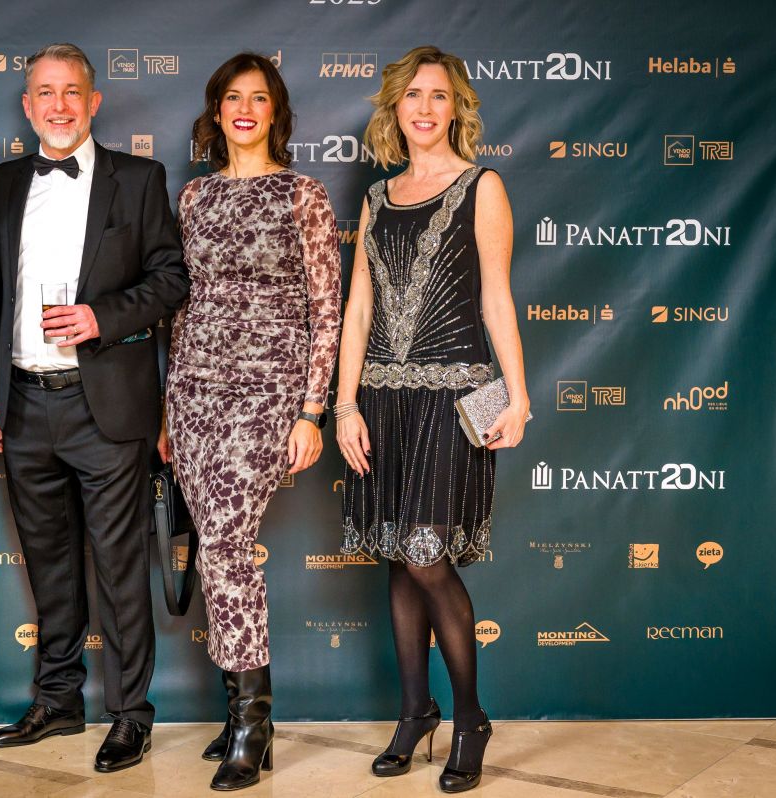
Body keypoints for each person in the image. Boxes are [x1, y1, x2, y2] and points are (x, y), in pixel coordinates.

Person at [0, 43, 189, 773]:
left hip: (108, 409)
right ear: (27, 106)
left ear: (94, 102)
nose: (59, 105)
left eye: (72, 92)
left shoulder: (139, 178)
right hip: (23, 404)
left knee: (121, 569)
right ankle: (58, 699)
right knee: (49, 566)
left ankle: (130, 715)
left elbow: (171, 280)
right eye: (45, 92)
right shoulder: (6, 181)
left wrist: (101, 317)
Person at [334, 46, 529, 794]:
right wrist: (345, 402)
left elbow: (496, 297)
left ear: (457, 108)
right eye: (412, 94)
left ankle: (470, 717)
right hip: (382, 398)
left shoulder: (483, 186)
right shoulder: (377, 197)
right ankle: (416, 711)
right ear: (395, 107)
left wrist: (519, 396)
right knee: (397, 553)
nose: (424, 107)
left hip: (454, 399)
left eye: (438, 96)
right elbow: (358, 307)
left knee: (424, 552)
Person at [160, 52, 341, 792]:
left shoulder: (303, 194)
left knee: (228, 544)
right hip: (195, 392)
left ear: (276, 112)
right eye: (231, 97)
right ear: (216, 111)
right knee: (215, 550)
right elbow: (182, 308)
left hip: (269, 393)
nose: (244, 109)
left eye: (258, 98)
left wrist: (312, 409)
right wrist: (169, 407)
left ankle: (251, 723)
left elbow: (326, 308)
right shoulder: (194, 198)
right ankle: (241, 713)